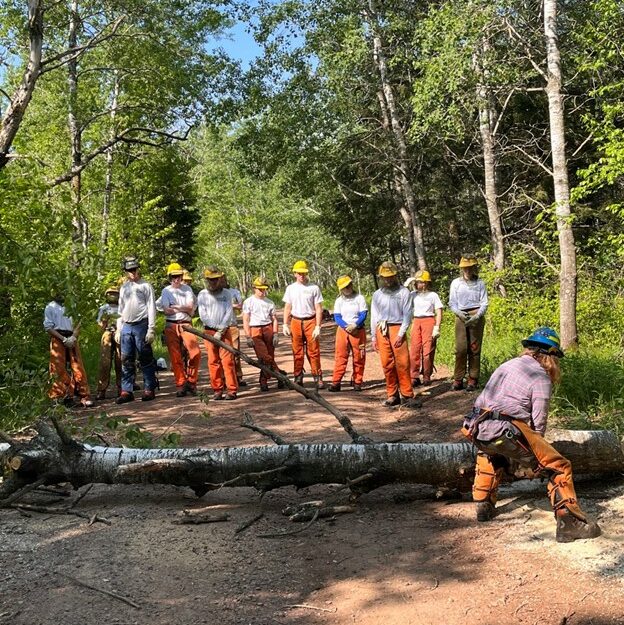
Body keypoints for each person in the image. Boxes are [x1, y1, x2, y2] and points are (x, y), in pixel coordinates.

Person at [461, 327, 601, 543]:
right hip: (503, 431)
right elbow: (538, 425)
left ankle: (483, 505)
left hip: (476, 429)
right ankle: (569, 523)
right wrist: (533, 460)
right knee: (559, 465)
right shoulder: (540, 377)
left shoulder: (506, 365)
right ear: (550, 355)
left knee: (490, 451)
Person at [370, 261, 419, 408]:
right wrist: (373, 336)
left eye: (391, 276)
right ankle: (392, 395)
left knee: (403, 363)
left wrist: (401, 333)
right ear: (381, 278)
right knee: (387, 364)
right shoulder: (377, 295)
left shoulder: (403, 292)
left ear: (395, 276)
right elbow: (374, 315)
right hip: (382, 329)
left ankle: (407, 395)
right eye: (385, 277)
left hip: (398, 328)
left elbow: (408, 314)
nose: (388, 280)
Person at [115, 256, 158, 404]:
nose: (132, 272)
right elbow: (120, 310)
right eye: (129, 270)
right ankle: (127, 390)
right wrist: (118, 329)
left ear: (138, 269)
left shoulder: (146, 286)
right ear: (126, 272)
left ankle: (149, 388)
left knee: (145, 357)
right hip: (126, 325)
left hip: (142, 324)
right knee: (126, 359)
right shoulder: (124, 287)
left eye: (134, 269)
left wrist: (151, 329)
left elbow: (151, 307)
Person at [44, 291, 94, 407]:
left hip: (72, 337)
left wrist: (73, 337)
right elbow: (48, 327)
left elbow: (78, 323)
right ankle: (59, 397)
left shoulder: (72, 305)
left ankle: (83, 395)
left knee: (77, 366)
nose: (59, 294)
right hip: (58, 338)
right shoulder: (50, 307)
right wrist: (63, 339)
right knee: (57, 368)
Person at [197, 266, 238, 400]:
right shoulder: (203, 294)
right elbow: (203, 314)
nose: (214, 282)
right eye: (211, 280)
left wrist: (221, 329)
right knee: (213, 361)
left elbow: (229, 311)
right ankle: (217, 389)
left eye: (216, 279)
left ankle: (231, 390)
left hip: (225, 331)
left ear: (220, 279)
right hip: (209, 331)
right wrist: (214, 327)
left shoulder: (226, 293)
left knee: (228, 361)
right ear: (207, 280)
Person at [282, 260, 325, 389]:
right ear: (295, 273)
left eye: (304, 273)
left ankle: (317, 376)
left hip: (310, 321)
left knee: (314, 351)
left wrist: (318, 325)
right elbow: (287, 307)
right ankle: (298, 377)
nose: (302, 275)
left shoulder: (314, 288)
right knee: (297, 351)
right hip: (296, 321)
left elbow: (318, 308)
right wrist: (285, 323)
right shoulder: (290, 288)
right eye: (299, 273)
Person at [160, 262, 201, 397]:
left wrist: (175, 306)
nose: (176, 279)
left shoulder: (187, 289)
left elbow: (190, 307)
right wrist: (182, 307)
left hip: (186, 324)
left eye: (178, 276)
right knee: (175, 357)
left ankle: (192, 381)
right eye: (173, 277)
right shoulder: (166, 291)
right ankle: (181, 384)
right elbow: (166, 310)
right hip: (171, 325)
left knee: (195, 352)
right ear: (169, 277)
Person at [448, 255, 488, 391]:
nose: (468, 270)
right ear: (461, 268)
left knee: (474, 348)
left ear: (474, 268)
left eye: (470, 267)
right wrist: (459, 313)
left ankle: (473, 378)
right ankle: (458, 378)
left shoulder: (480, 283)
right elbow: (452, 303)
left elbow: (484, 302)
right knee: (461, 349)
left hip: (476, 314)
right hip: (461, 315)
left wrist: (477, 316)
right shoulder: (456, 283)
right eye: (465, 268)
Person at [242, 276, 283, 392]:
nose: (262, 291)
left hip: (268, 328)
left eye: (264, 289)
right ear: (254, 288)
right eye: (259, 289)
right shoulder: (248, 302)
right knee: (264, 357)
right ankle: (280, 375)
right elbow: (245, 319)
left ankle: (263, 381)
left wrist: (275, 334)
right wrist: (247, 336)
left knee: (270, 356)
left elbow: (274, 319)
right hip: (255, 330)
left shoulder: (269, 302)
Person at [404, 270, 443, 387]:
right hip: (416, 321)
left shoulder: (433, 295)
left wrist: (437, 326)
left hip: (429, 321)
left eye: (425, 282)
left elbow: (439, 311)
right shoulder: (412, 295)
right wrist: (406, 286)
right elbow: (401, 299)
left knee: (428, 350)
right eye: (420, 282)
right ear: (416, 283)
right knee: (414, 349)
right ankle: (414, 376)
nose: (422, 284)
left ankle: (426, 375)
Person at [329, 275, 367, 392]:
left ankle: (357, 382)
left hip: (358, 330)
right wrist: (346, 326)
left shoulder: (359, 298)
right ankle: (336, 382)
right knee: (340, 356)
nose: (347, 288)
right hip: (343, 330)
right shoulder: (339, 301)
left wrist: (355, 324)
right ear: (341, 289)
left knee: (359, 357)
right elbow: (337, 317)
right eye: (345, 287)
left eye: (349, 285)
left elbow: (363, 314)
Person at [95, 286, 122, 400]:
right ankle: (101, 389)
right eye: (110, 294)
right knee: (104, 362)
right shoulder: (103, 308)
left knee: (120, 360)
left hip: (120, 333)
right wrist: (104, 322)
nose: (113, 296)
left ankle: (122, 388)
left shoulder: (122, 307)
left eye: (115, 293)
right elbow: (99, 325)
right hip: (107, 333)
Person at [222, 274, 246, 387]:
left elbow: (240, 305)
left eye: (223, 279)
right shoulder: (214, 293)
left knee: (235, 352)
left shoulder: (234, 292)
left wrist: (231, 305)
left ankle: (238, 376)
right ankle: (224, 378)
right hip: (219, 326)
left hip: (232, 325)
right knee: (221, 355)